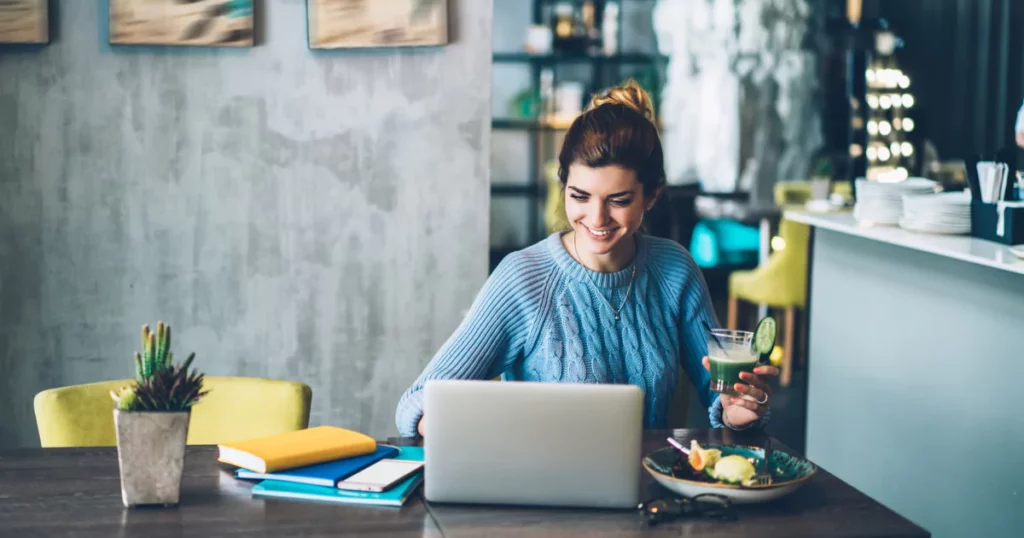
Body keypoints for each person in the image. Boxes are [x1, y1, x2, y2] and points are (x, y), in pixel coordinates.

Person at [395, 80, 780, 437]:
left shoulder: (674, 271)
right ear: (563, 185)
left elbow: (722, 398)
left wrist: (740, 410)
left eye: (619, 200)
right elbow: (416, 403)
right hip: (547, 496)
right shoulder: (523, 279)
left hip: (652, 496)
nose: (596, 219)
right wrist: (487, 435)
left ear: (652, 195)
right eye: (579, 196)